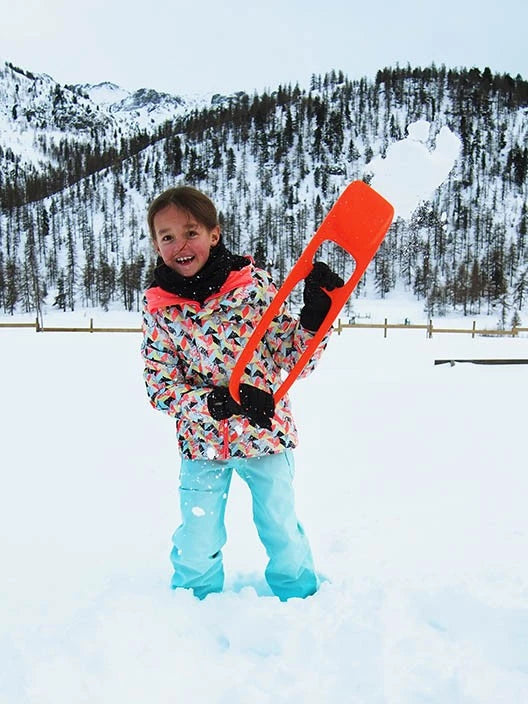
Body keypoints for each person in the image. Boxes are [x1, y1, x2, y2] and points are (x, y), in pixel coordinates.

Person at [141, 185, 343, 601]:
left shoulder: (253, 287)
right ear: (157, 245)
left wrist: (313, 319)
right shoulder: (160, 307)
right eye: (167, 237)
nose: (181, 245)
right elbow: (160, 387)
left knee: (280, 525)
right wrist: (215, 403)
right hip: (202, 444)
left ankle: (300, 598)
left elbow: (293, 357)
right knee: (197, 535)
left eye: (191, 232)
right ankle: (193, 604)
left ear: (214, 234)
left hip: (265, 434)